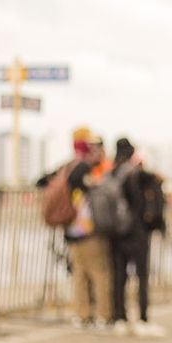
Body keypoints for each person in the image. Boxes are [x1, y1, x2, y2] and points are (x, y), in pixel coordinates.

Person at [38, 128, 113, 330]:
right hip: (87, 229)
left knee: (79, 274)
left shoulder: (67, 167)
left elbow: (40, 181)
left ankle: (82, 315)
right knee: (100, 272)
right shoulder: (88, 168)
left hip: (71, 228)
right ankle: (103, 316)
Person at [108, 137, 167, 339]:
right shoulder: (136, 174)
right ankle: (142, 319)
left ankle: (119, 318)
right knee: (141, 276)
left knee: (119, 277)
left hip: (115, 233)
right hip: (137, 233)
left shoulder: (111, 173)